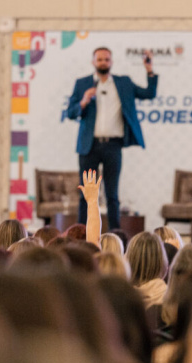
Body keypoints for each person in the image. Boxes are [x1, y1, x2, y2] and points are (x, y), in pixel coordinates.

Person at [65, 47, 158, 230]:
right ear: (93, 62)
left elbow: (149, 93)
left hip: (113, 146)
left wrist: (149, 70)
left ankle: (114, 234)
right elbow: (70, 112)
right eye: (99, 59)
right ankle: (82, 232)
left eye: (106, 59)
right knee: (86, 193)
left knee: (112, 194)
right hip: (88, 146)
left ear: (111, 62)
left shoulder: (123, 83)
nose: (103, 63)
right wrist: (83, 101)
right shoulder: (82, 83)